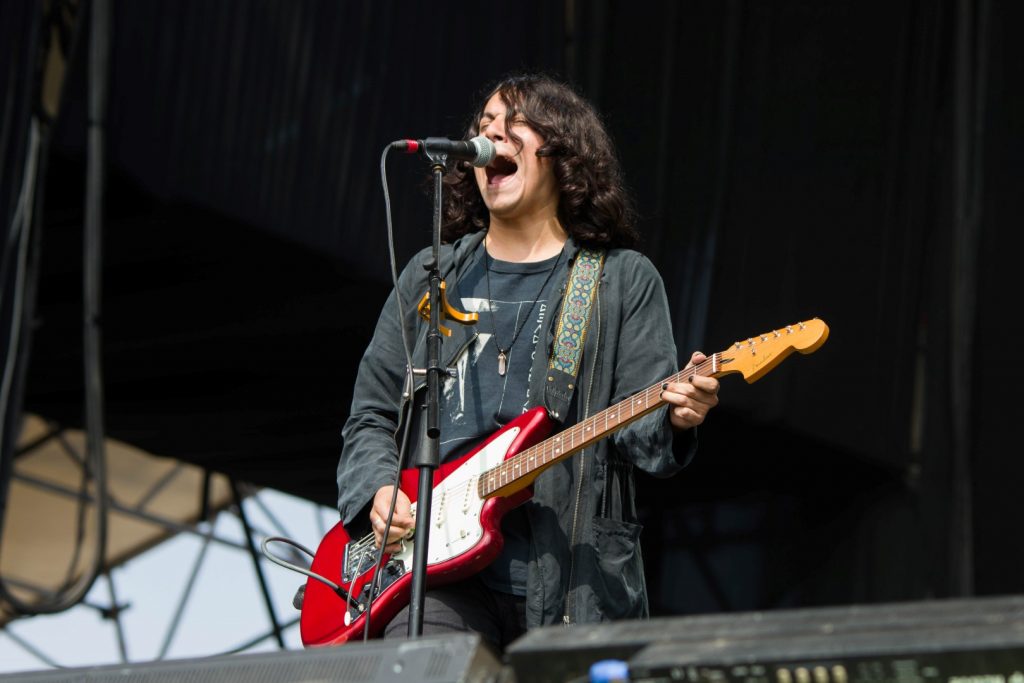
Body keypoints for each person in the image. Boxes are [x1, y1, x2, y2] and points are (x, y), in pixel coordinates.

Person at [335, 74, 719, 649]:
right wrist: (377, 492)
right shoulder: (430, 277)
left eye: (514, 124)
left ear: (562, 152)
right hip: (434, 578)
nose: (492, 134)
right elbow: (371, 414)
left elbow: (644, 441)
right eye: (485, 125)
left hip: (570, 582)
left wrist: (677, 416)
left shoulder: (620, 280)